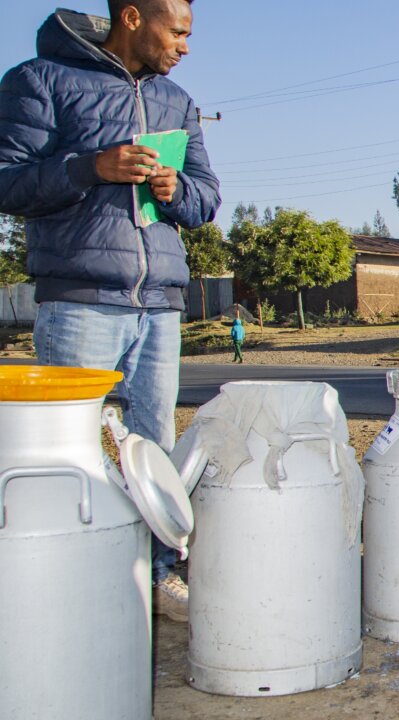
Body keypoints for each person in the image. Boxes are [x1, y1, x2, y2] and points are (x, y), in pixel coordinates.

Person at [0, 1, 221, 624]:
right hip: (80, 301)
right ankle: (76, 584)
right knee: (73, 449)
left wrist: (177, 190)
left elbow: (207, 197)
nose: (184, 46)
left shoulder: (177, 100)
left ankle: (155, 574)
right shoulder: (40, 80)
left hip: (160, 305)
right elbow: (7, 181)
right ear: (132, 18)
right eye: (177, 32)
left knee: (154, 449)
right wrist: (89, 168)